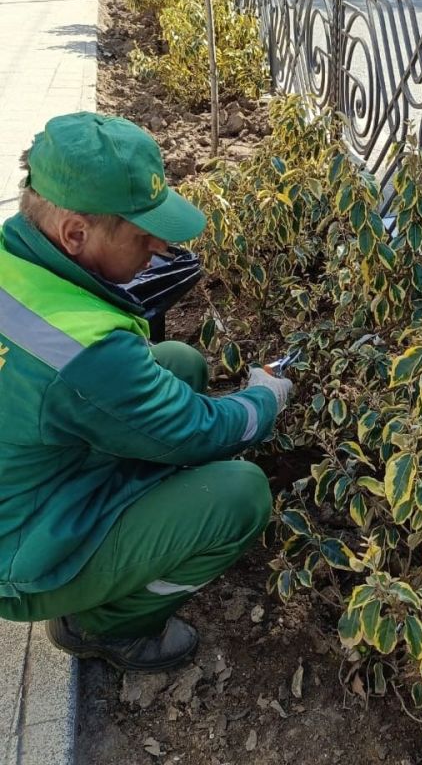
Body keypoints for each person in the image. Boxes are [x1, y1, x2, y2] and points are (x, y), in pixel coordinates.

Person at [0, 111, 292, 672]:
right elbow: (201, 430)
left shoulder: (14, 257)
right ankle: (104, 626)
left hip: (27, 478)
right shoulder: (84, 353)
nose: (160, 246)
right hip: (21, 557)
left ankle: (132, 514)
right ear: (75, 233)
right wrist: (265, 397)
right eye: (141, 233)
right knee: (239, 496)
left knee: (177, 362)